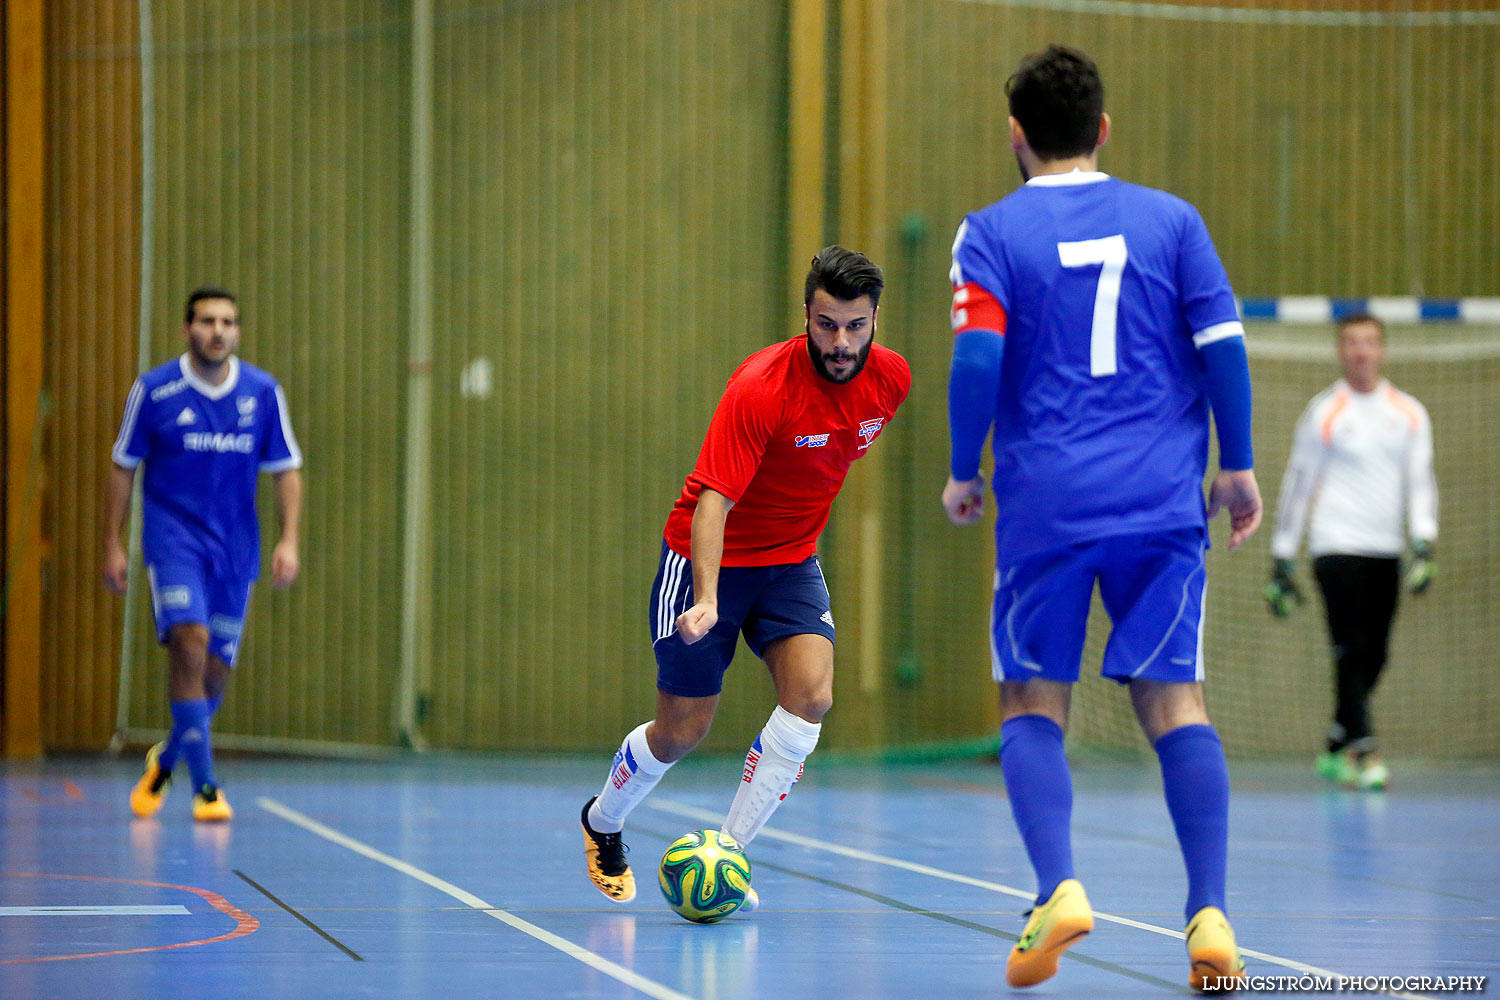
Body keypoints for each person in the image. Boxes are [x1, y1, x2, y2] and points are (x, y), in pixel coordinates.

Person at [941, 45, 1261, 992]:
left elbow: (975, 363)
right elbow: (1225, 349)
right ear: (1104, 130)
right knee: (1176, 704)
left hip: (1046, 505)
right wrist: (1234, 467)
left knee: (1031, 701)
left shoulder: (989, 233)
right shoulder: (1174, 222)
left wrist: (966, 472)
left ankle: (1060, 888)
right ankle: (1209, 911)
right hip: (1162, 502)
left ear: (1016, 136)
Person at [580, 246, 911, 910]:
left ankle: (725, 856)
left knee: (812, 696)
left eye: (855, 325)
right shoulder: (760, 387)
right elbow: (713, 502)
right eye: (825, 325)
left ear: (875, 320)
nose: (840, 343)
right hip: (709, 561)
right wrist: (705, 599)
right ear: (807, 316)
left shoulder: (893, 381)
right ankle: (603, 820)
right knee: (682, 732)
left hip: (789, 563)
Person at [103, 287, 303, 822]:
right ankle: (207, 788)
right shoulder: (155, 390)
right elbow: (123, 465)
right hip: (174, 543)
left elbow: (286, 469)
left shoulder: (262, 392)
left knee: (214, 671)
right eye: (208, 321)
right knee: (188, 643)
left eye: (229, 322)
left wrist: (289, 539)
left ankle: (167, 759)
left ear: (237, 331)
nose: (219, 330)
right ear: (187, 328)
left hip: (235, 549)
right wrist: (113, 543)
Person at [1263, 313, 1436, 792]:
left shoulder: (1409, 413)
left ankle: (1338, 737)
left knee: (1376, 653)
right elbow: (1299, 484)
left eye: (1370, 342)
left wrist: (1424, 541)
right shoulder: (1324, 412)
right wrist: (1283, 557)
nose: (1361, 351)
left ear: (1382, 350)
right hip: (1334, 544)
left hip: (1386, 548)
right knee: (1350, 648)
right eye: (1352, 342)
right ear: (1340, 351)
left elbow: (1420, 482)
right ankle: (1363, 749)